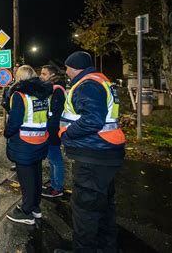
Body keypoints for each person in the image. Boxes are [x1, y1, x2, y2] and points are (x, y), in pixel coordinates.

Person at [59, 51, 125, 252]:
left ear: (75, 67)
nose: (67, 72)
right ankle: (106, 247)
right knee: (103, 206)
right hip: (105, 152)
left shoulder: (87, 84)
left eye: (67, 68)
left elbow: (93, 120)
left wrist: (67, 134)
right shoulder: (101, 81)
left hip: (93, 153)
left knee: (85, 208)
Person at [3, 65, 52, 225]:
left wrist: (7, 132)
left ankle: (26, 211)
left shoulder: (20, 95)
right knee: (36, 176)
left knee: (26, 179)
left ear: (20, 78)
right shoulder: (43, 94)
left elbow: (15, 121)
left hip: (24, 142)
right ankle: (35, 208)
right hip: (40, 140)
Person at [39, 64, 66, 198]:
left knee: (55, 159)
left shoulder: (57, 90)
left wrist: (50, 130)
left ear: (52, 75)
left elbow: (55, 113)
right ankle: (54, 181)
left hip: (53, 129)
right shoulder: (52, 88)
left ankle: (57, 188)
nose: (40, 76)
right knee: (52, 158)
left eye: (44, 74)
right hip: (52, 128)